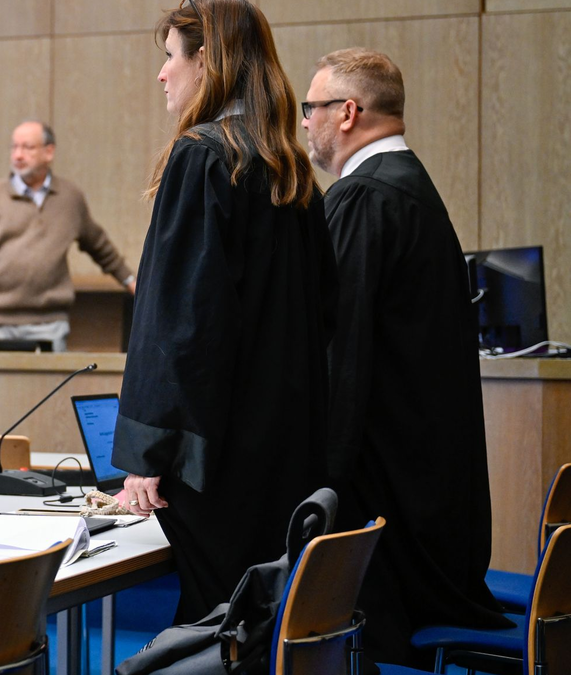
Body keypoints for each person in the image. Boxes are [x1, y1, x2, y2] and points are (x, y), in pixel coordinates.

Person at [111, 0, 336, 624]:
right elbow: (325, 315)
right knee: (264, 628)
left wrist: (149, 457)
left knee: (215, 633)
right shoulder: (292, 171)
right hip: (287, 452)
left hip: (219, 464)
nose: (163, 74)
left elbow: (180, 324)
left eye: (170, 57)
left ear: (206, 61)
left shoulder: (203, 156)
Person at [303, 48, 511, 664]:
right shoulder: (409, 186)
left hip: (384, 513)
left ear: (347, 112)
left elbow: (338, 357)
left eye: (310, 108)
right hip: (428, 500)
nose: (305, 123)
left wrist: (315, 486)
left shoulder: (365, 197)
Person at [0, 121, 135, 352]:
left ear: (49, 152)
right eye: (14, 147)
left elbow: (101, 248)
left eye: (27, 147)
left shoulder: (69, 198)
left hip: (50, 325)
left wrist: (132, 282)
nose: (18, 155)